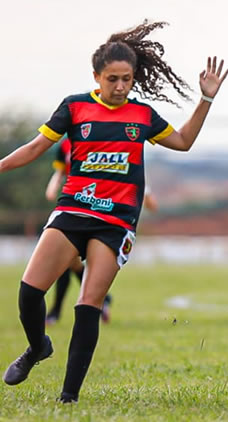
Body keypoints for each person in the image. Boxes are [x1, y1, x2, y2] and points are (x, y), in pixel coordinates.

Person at [0, 19, 228, 403]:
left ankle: (69, 397)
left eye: (127, 79)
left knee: (88, 304)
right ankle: (36, 348)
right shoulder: (75, 107)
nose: (120, 86)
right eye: (112, 78)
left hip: (115, 222)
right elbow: (35, 146)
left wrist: (206, 99)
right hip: (73, 212)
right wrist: (1, 164)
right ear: (96, 76)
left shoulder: (142, 116)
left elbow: (184, 142)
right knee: (30, 291)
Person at [43, 137, 159, 325]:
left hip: (104, 214)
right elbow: (60, 171)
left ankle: (61, 310)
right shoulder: (65, 143)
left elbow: (120, 172)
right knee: (67, 261)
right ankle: (89, 303)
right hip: (75, 208)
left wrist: (144, 194)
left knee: (72, 262)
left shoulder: (108, 140)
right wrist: (54, 186)